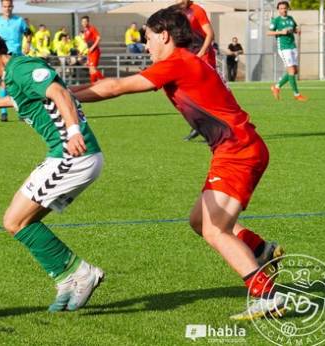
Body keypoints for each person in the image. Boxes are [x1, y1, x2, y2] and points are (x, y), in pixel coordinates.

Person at [72, 7, 285, 320]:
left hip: (238, 151)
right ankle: (259, 250)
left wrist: (65, 96)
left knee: (215, 230)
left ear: (164, 35)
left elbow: (115, 87)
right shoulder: (184, 62)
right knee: (200, 221)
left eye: (147, 39)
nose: (146, 46)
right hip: (236, 149)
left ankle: (266, 294)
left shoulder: (177, 62)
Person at [0, 22, 105, 312]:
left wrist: (74, 131)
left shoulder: (21, 68)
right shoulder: (14, 75)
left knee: (14, 221)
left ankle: (82, 273)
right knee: (19, 221)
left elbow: (59, 93)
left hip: (72, 157)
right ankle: (65, 278)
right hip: (63, 156)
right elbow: (25, 96)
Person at [173, 0, 217, 141]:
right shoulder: (177, 12)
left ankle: (211, 128)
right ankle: (199, 126)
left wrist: (201, 53)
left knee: (207, 93)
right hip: (189, 56)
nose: (179, 1)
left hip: (203, 56)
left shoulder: (197, 10)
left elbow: (210, 34)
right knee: (188, 93)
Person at [0, 0, 28, 121]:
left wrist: (27, 44)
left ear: (13, 7)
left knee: (19, 85)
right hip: (2, 58)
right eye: (5, 6)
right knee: (4, 84)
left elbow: (28, 33)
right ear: (2, 7)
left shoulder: (19, 21)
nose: (7, 9)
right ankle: (3, 112)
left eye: (9, 6)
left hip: (17, 57)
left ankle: (21, 112)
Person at [268, 1, 307, 101]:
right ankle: (297, 94)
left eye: (285, 8)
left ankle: (276, 87)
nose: (283, 10)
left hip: (292, 46)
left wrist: (297, 30)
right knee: (291, 70)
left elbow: (294, 28)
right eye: (281, 8)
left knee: (295, 71)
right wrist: (281, 32)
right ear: (278, 10)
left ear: (288, 8)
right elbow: (268, 32)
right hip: (284, 48)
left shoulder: (290, 19)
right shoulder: (276, 20)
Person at [81, 16, 104, 83]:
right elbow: (87, 43)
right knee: (91, 70)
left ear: (88, 22)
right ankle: (93, 84)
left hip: (95, 51)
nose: (84, 23)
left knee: (93, 68)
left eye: (85, 21)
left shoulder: (92, 28)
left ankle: (104, 81)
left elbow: (98, 38)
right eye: (83, 21)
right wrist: (82, 51)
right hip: (90, 51)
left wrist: (92, 47)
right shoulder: (85, 31)